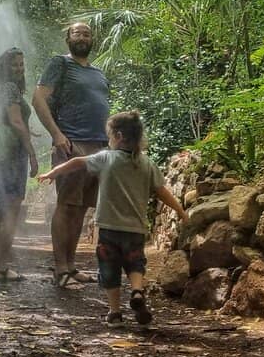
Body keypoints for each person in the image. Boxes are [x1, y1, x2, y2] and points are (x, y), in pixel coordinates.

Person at [38, 111, 187, 327]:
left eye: (109, 136)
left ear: (117, 136)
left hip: (109, 229)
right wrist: (181, 211)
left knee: (110, 270)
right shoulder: (147, 164)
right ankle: (137, 290)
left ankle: (115, 313)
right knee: (135, 263)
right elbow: (162, 191)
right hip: (135, 229)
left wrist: (53, 172)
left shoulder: (106, 158)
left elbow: (77, 162)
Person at [32, 22, 110, 290]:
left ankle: (72, 266)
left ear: (92, 39)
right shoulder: (60, 64)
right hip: (71, 143)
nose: (82, 37)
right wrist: (56, 135)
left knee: (81, 208)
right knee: (66, 205)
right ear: (68, 38)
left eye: (86, 33)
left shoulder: (99, 73)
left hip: (99, 146)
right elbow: (38, 99)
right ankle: (60, 268)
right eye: (77, 33)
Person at [0, 48, 38, 282]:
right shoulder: (11, 89)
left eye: (22, 65)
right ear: (4, 67)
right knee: (11, 211)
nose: (19, 69)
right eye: (14, 65)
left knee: (1, 213)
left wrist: (26, 128)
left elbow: (7, 121)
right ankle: (1, 267)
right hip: (11, 155)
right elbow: (15, 121)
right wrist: (32, 154)